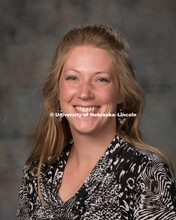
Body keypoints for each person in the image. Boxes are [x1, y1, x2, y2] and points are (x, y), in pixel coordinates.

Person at [17, 24, 176, 220]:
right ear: (58, 90)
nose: (84, 93)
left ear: (121, 92)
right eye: (73, 78)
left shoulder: (146, 172)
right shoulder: (38, 172)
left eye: (101, 79)